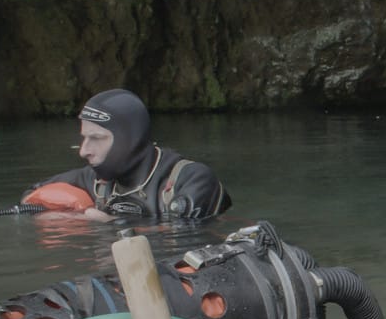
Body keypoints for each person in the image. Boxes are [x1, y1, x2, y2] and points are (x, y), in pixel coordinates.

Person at [22, 88, 232, 220]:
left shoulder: (192, 179)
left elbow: (187, 243)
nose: (84, 151)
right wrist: (67, 214)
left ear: (128, 139)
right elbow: (29, 197)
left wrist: (107, 226)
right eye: (84, 138)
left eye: (96, 138)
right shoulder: (94, 181)